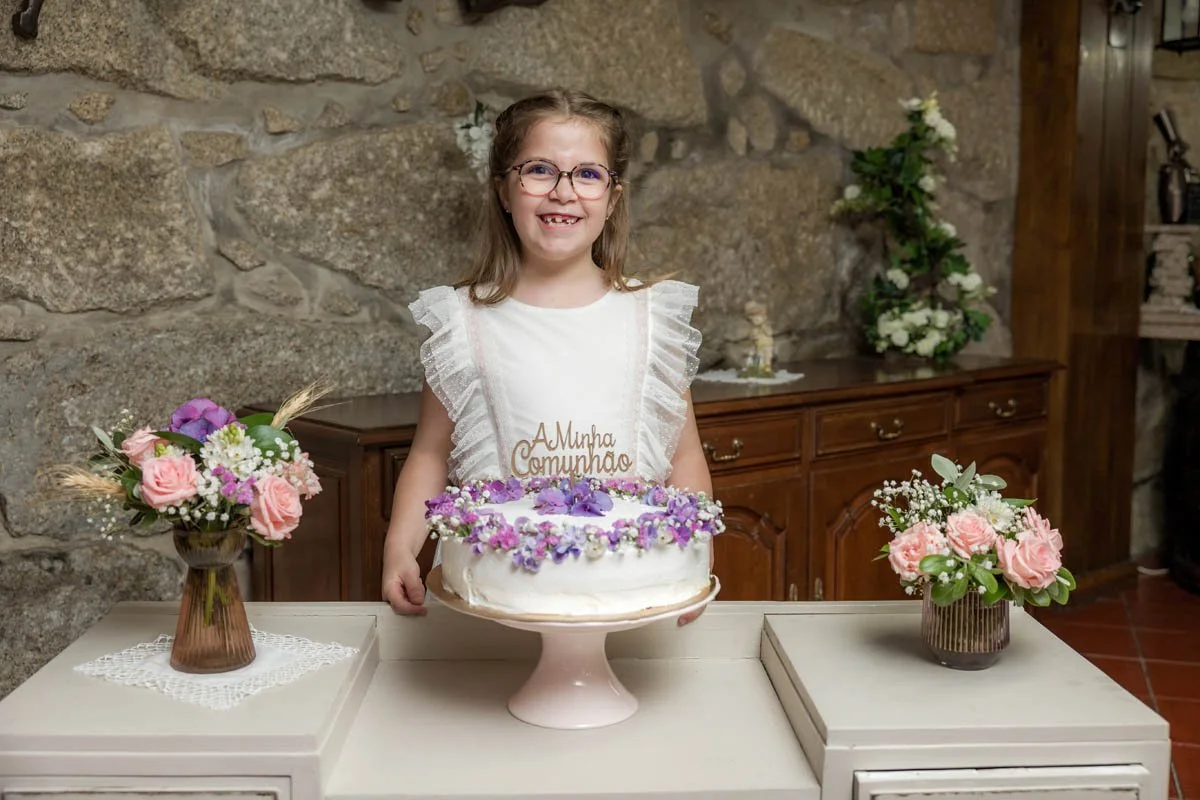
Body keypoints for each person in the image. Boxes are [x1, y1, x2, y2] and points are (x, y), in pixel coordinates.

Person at [380, 88, 713, 624]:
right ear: (505, 191)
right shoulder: (461, 323)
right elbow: (431, 454)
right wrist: (400, 548)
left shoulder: (653, 318)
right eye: (539, 170)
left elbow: (684, 456)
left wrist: (695, 551)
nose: (563, 193)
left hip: (629, 590)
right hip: (497, 595)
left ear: (613, 197)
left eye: (587, 174)